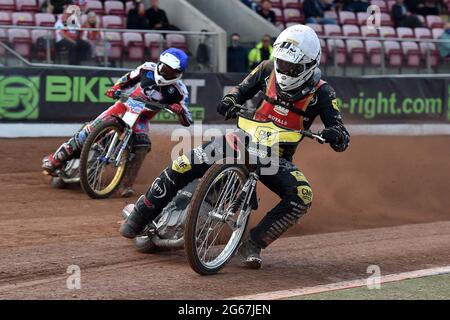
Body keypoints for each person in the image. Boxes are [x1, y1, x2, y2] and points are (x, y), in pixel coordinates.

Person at [119, 25, 350, 269]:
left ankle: (252, 244)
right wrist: (229, 100)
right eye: (280, 63)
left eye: (290, 67)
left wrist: (334, 134)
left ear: (308, 65)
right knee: (182, 163)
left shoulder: (323, 92)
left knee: (302, 196)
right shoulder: (265, 69)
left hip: (275, 157)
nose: (283, 70)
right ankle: (140, 215)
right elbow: (240, 91)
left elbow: (341, 134)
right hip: (240, 139)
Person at [42, 48, 193, 197]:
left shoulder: (180, 91)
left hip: (142, 118)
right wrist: (115, 88)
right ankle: (56, 159)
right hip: (123, 106)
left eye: (171, 71)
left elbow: (188, 119)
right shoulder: (147, 68)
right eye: (164, 68)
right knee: (89, 130)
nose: (165, 72)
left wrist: (180, 111)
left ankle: (126, 184)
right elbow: (128, 78)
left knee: (142, 145)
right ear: (159, 63)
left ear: (178, 73)